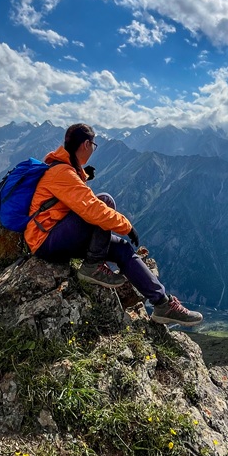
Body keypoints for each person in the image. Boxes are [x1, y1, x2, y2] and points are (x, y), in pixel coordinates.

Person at [24, 122, 203, 328]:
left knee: (122, 249)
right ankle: (93, 267)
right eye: (94, 145)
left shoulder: (66, 169)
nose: (93, 149)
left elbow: (71, 197)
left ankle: (162, 305)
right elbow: (92, 209)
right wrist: (127, 227)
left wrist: (85, 175)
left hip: (59, 234)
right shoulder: (61, 173)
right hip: (46, 240)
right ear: (86, 144)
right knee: (105, 201)